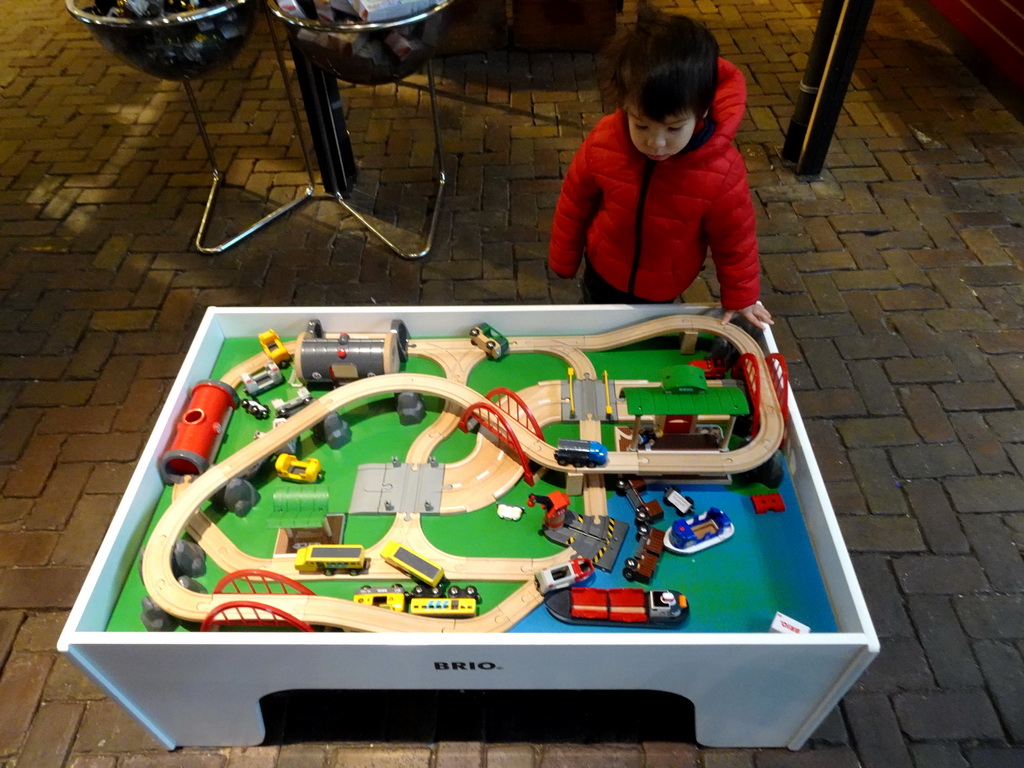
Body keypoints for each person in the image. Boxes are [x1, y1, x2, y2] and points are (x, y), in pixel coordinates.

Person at [548, 6, 773, 329]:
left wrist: (741, 297)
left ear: (702, 111)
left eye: (672, 129)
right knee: (598, 327)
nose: (656, 143)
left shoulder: (721, 170)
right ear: (625, 104)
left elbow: (735, 240)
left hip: (664, 287)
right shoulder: (604, 140)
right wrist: (564, 257)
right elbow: (575, 200)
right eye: (641, 126)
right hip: (602, 269)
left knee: (651, 337)